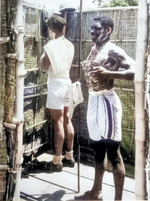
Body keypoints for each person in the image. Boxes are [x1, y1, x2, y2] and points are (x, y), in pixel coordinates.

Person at [75, 15, 136, 200]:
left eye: (96, 29)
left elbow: (135, 70)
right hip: (93, 101)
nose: (92, 31)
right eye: (91, 28)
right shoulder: (95, 47)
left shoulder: (113, 50)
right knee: (97, 149)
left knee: (113, 153)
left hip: (107, 102)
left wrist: (108, 73)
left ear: (108, 31)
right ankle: (96, 191)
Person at [39, 15, 75, 173]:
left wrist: (42, 56)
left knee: (58, 122)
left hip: (56, 84)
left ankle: (56, 162)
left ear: (51, 29)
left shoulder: (51, 45)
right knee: (67, 119)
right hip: (68, 82)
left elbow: (44, 67)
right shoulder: (69, 45)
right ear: (63, 28)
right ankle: (69, 156)